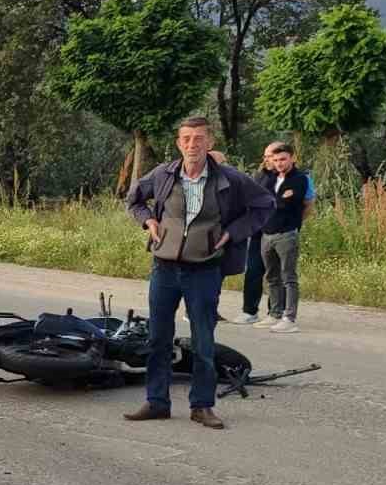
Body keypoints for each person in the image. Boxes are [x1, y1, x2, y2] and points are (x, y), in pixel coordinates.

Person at [124, 116, 274, 429]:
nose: (193, 144)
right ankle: (156, 402)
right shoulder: (163, 174)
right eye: (187, 138)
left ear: (210, 143)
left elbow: (264, 205)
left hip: (205, 270)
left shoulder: (231, 179)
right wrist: (148, 221)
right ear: (179, 143)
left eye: (199, 138)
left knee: (204, 341)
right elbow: (134, 199)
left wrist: (233, 233)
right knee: (158, 338)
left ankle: (202, 406)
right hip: (164, 268)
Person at [237, 144, 317, 325]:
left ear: (290, 158)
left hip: (283, 230)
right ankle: (255, 311)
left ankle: (282, 314)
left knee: (284, 275)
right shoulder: (262, 176)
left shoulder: (300, 178)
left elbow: (304, 203)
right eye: (268, 157)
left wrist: (293, 222)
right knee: (259, 272)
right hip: (261, 230)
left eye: (278, 158)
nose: (270, 160)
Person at [253, 141, 311, 333]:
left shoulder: (299, 179)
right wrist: (276, 199)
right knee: (271, 276)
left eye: (283, 159)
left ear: (292, 158)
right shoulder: (270, 177)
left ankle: (289, 317)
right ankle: (275, 313)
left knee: (289, 277)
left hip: (286, 234)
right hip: (267, 234)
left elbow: (289, 203)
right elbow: (259, 199)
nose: (279, 163)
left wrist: (273, 201)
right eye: (275, 159)